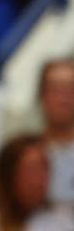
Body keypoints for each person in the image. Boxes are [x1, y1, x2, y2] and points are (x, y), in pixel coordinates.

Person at [40, 59, 74, 208]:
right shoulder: (22, 155)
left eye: (70, 90)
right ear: (41, 95)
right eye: (55, 89)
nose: (63, 98)